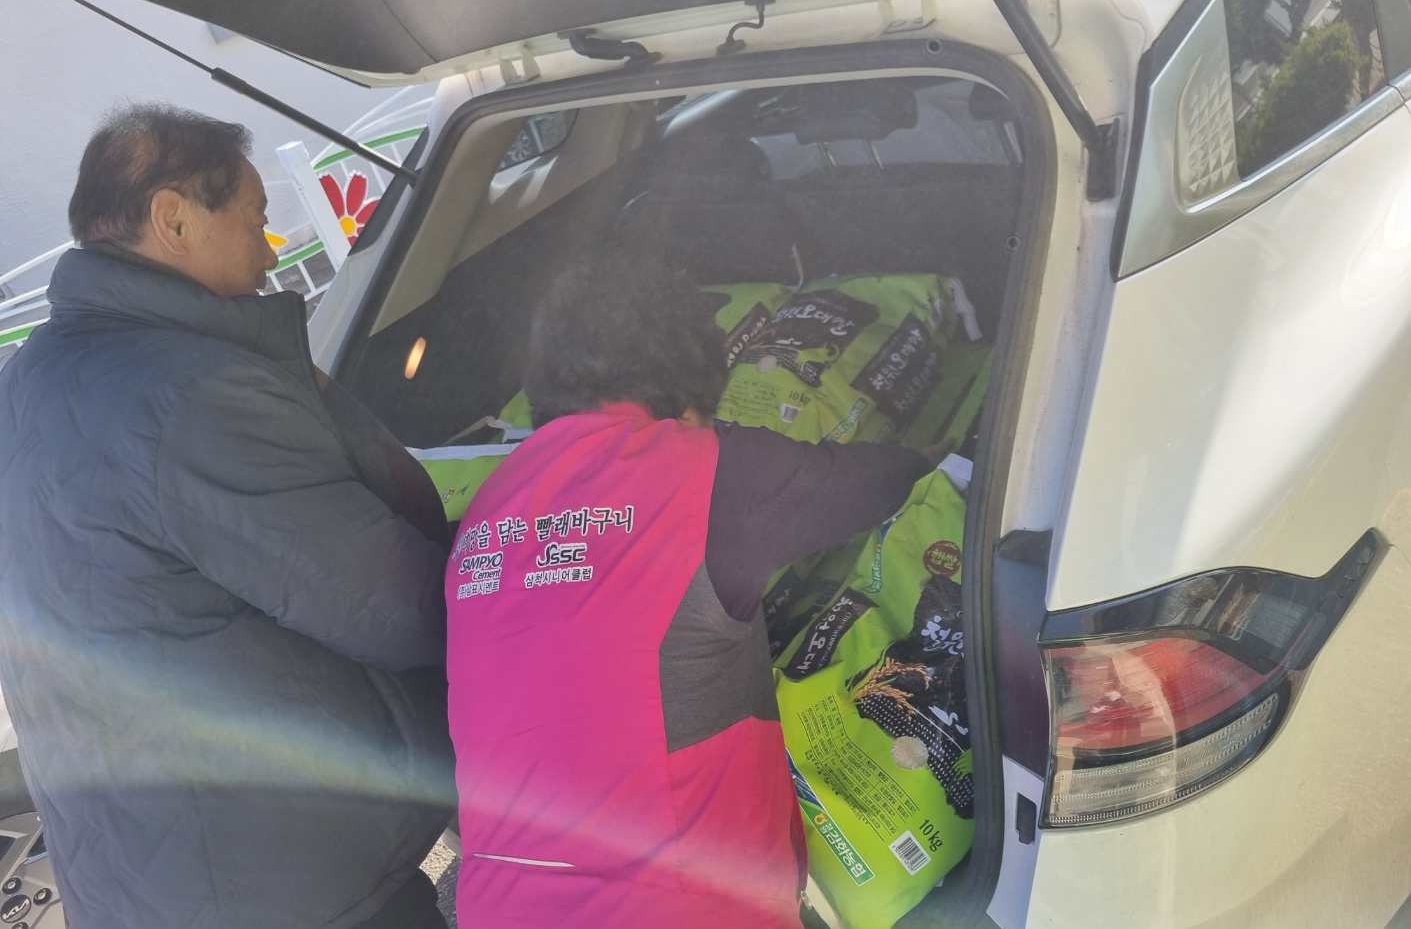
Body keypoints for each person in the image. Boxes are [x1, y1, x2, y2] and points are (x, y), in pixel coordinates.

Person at [0, 105, 455, 929]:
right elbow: (401, 611)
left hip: (136, 875)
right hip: (283, 887)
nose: (271, 249)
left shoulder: (26, 381)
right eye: (255, 219)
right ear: (174, 219)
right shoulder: (193, 396)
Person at [445, 253, 935, 928]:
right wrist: (940, 453)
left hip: (494, 908)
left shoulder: (487, 509)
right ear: (686, 389)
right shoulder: (700, 471)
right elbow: (878, 483)